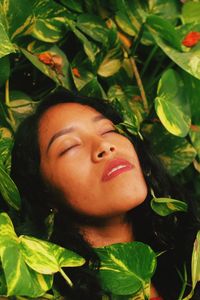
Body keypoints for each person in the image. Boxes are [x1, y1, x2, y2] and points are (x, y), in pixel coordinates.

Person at [11, 88, 197, 300]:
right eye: (69, 146)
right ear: (44, 193)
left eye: (108, 130)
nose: (105, 146)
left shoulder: (189, 258)